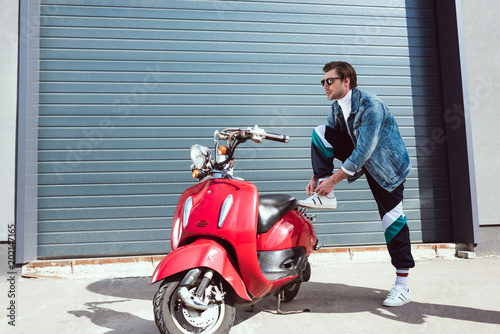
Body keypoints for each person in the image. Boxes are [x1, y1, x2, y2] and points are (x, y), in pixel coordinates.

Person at [298, 61, 415, 307]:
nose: (325, 86)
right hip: (362, 160)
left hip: (387, 169)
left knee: (392, 220)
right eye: (323, 82)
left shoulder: (371, 106)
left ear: (346, 82)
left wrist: (331, 181)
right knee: (319, 132)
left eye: (330, 81)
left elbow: (363, 152)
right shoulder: (337, 108)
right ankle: (324, 195)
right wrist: (316, 178)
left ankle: (402, 286)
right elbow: (328, 141)